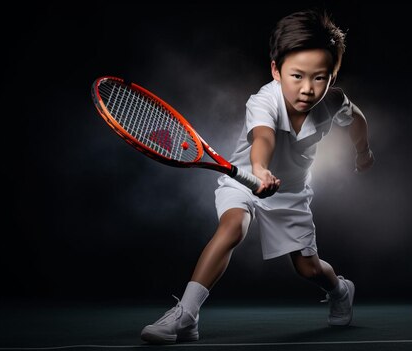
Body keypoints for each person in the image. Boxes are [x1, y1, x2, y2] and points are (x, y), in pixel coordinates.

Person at [140, 8, 374, 344]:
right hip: (245, 180)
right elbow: (262, 139)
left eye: (319, 77)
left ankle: (339, 289)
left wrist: (363, 151)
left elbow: (358, 123)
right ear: (276, 70)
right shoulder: (263, 101)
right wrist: (261, 170)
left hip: (291, 193)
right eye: (297, 76)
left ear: (332, 78)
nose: (307, 88)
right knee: (233, 226)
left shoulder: (334, 103)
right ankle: (186, 316)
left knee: (307, 269)